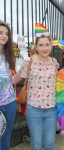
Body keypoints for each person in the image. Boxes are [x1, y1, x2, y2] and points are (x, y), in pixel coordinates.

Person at [12, 32, 59, 150]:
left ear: (51, 46)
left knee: (50, 143)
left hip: (52, 109)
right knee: (36, 143)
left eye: (47, 45)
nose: (44, 48)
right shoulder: (28, 61)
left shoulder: (54, 63)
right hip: (33, 108)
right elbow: (16, 78)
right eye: (41, 45)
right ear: (36, 47)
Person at [0, 20, 17, 150]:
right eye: (0, 33)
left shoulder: (10, 56)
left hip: (10, 103)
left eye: (6, 33)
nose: (4, 36)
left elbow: (12, 80)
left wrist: (25, 71)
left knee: (5, 140)